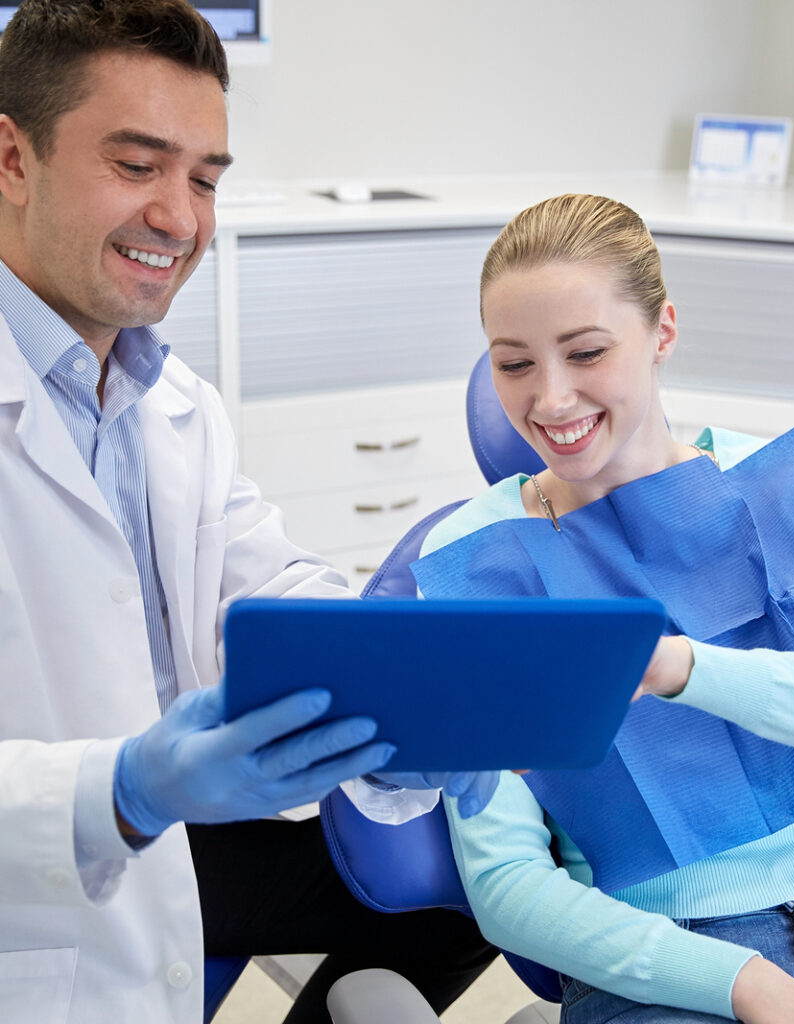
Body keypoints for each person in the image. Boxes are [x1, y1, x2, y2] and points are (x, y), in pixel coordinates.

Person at [410, 193, 794, 1023]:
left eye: (586, 352)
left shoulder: (783, 488)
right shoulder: (471, 563)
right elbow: (509, 887)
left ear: (662, 332)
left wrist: (675, 666)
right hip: (657, 963)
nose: (551, 400)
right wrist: (757, 992)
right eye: (514, 364)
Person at [0, 2, 496, 1022]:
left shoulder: (172, 403)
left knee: (470, 885)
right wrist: (125, 791)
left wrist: (406, 681)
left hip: (187, 828)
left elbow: (266, 584)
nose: (181, 219)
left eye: (206, 178)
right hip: (35, 886)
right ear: (11, 159)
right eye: (137, 167)